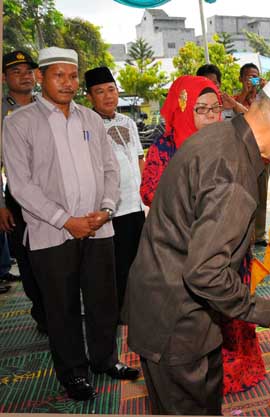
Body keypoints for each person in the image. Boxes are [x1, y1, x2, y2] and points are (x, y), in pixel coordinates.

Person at [125, 74, 270, 415]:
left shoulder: (219, 135)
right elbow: (206, 273)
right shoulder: (233, 173)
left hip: (170, 303)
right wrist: (269, 312)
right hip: (178, 320)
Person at [2, 47, 140, 401]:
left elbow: (110, 169)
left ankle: (105, 359)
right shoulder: (18, 122)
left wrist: (107, 208)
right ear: (41, 78)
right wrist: (66, 220)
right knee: (61, 308)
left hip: (98, 227)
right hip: (52, 233)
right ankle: (73, 373)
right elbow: (21, 185)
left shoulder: (91, 120)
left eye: (72, 75)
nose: (67, 82)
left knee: (103, 301)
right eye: (58, 75)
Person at [85, 66, 145, 315]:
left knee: (139, 261)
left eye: (111, 89)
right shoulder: (87, 125)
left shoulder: (128, 122)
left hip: (137, 205)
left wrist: (146, 195)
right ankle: (121, 310)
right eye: (100, 92)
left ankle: (139, 306)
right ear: (89, 96)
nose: (108, 96)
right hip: (112, 209)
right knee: (117, 264)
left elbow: (140, 159)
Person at [140, 75, 222, 206]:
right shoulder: (164, 148)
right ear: (185, 110)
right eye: (202, 108)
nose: (211, 115)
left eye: (216, 107)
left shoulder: (224, 142)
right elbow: (148, 193)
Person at [0, 51, 41, 300]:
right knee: (26, 256)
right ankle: (42, 313)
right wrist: (1, 205)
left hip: (51, 189)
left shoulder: (46, 105)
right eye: (17, 72)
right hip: (17, 193)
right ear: (4, 78)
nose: (25, 76)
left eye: (28, 71)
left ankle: (60, 310)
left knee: (58, 254)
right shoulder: (2, 111)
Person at [234, 63, 270, 246]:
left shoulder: (263, 98)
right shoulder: (235, 98)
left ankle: (260, 234)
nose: (252, 80)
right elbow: (235, 112)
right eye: (248, 77)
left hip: (262, 155)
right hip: (241, 156)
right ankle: (242, 235)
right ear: (241, 79)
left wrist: (265, 91)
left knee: (261, 196)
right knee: (241, 196)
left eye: (255, 76)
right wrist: (245, 94)